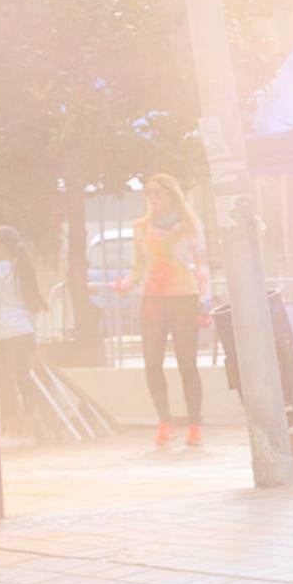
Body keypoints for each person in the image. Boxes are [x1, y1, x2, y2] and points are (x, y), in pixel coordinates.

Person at [122, 173, 210, 447]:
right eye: (149, 192)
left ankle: (194, 424)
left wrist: (204, 299)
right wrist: (125, 284)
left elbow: (201, 265)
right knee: (151, 363)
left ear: (172, 194)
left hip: (184, 298)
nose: (152, 197)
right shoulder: (141, 228)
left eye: (158, 192)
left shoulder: (189, 226)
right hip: (153, 300)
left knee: (187, 364)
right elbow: (138, 267)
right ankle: (165, 422)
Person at [0, 226, 45, 441]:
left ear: (2, 246)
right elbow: (31, 304)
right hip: (24, 331)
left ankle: (11, 428)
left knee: (3, 380)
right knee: (24, 377)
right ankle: (30, 425)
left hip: (4, 333)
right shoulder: (23, 268)